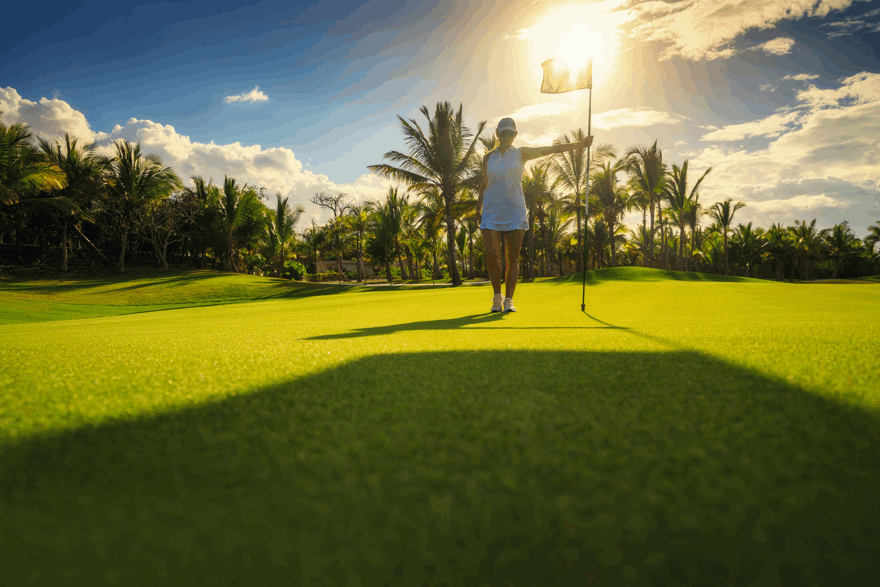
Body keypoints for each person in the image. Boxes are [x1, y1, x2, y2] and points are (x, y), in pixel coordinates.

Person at [476, 117, 593, 312]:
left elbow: (551, 149)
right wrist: (478, 208)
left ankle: (509, 300)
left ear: (515, 135)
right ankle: (497, 297)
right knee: (492, 255)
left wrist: (579, 145)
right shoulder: (488, 157)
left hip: (515, 210)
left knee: (513, 258)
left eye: (510, 133)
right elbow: (483, 183)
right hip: (490, 211)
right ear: (497, 133)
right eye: (503, 132)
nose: (506, 136)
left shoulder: (521, 153)